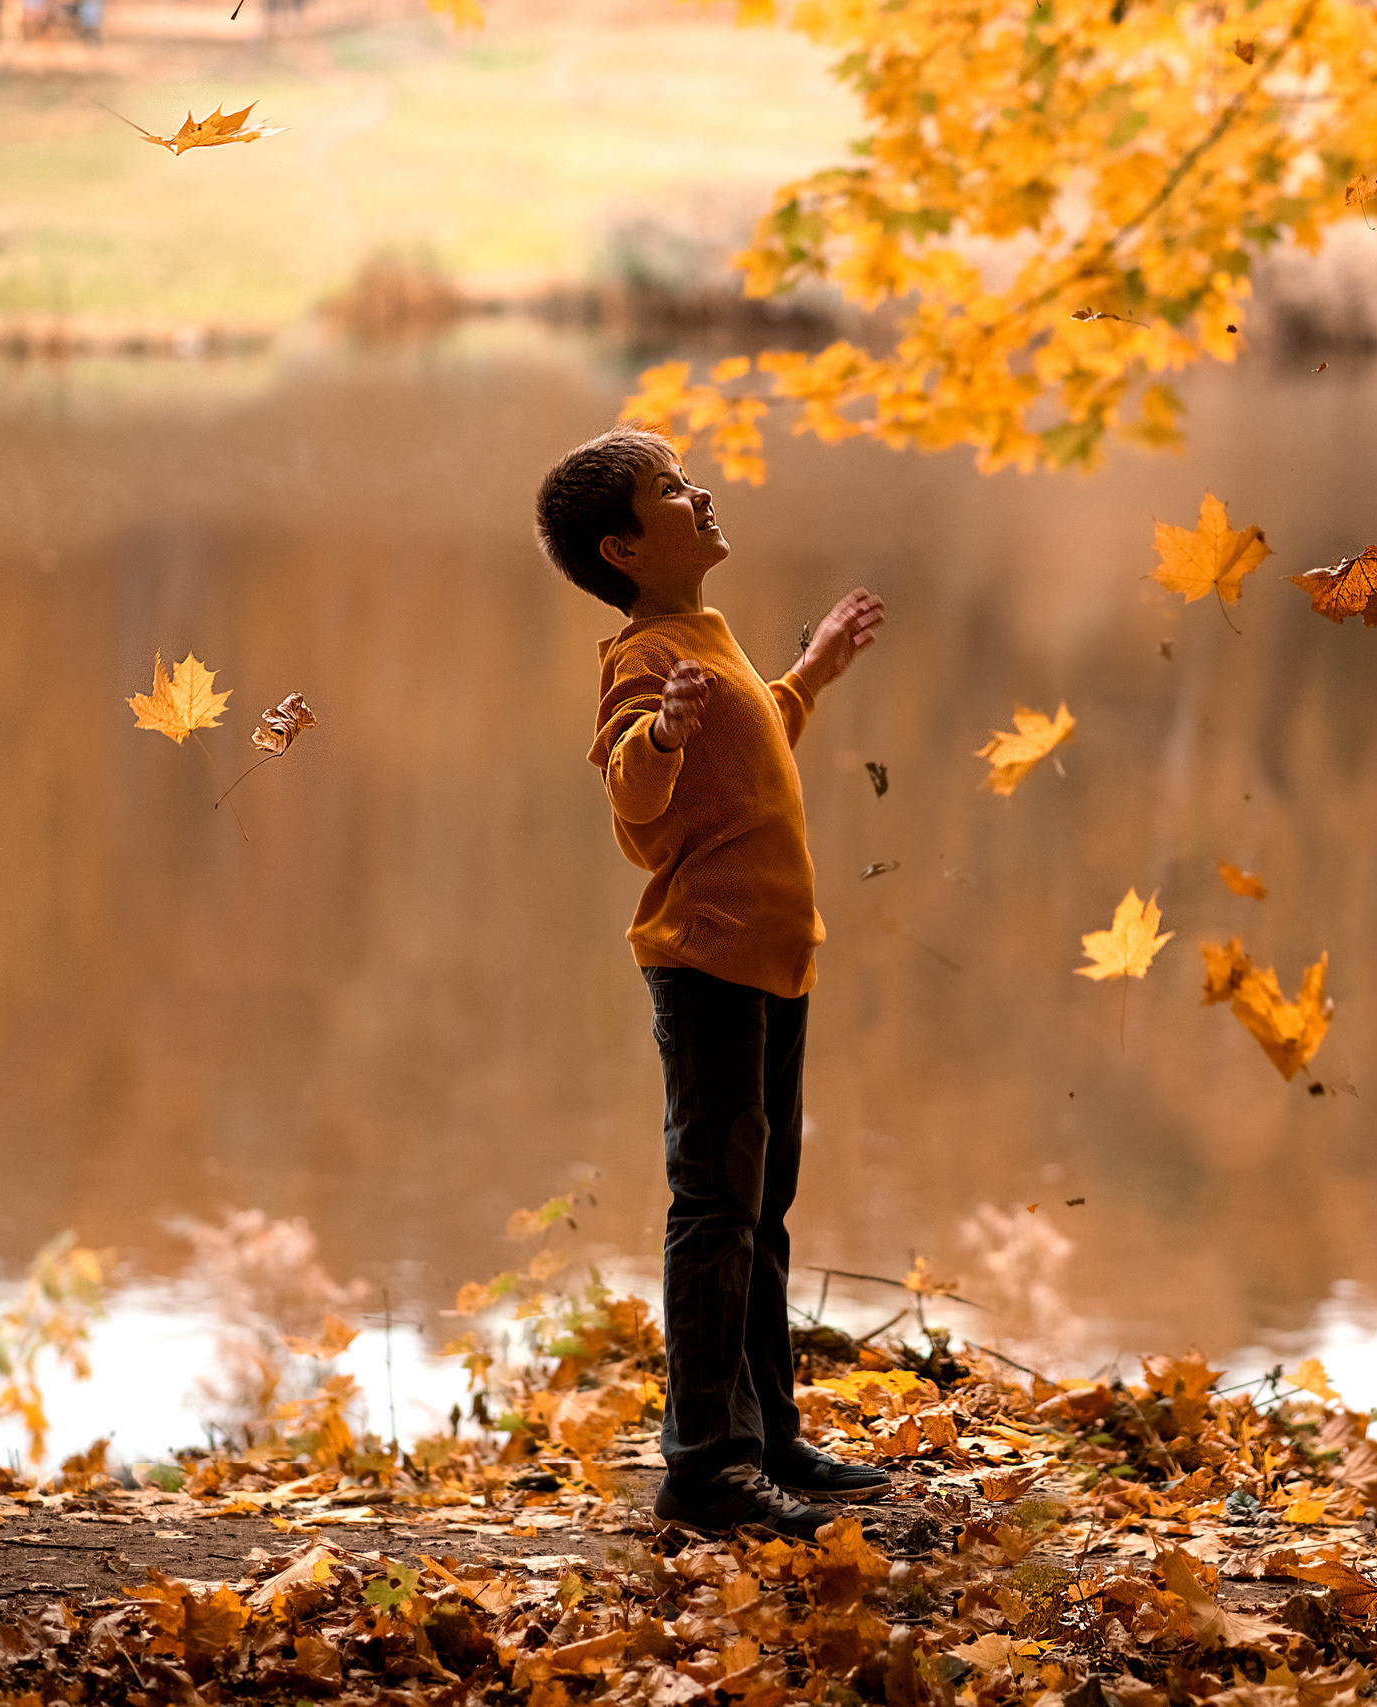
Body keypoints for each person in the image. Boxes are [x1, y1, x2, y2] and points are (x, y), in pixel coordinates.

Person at [535, 427, 889, 1541]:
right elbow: (639, 810)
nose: (699, 494)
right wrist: (659, 737)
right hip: (706, 962)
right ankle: (705, 1465)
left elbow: (754, 745)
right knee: (714, 1211)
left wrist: (810, 675)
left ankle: (767, 1435)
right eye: (669, 491)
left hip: (769, 958)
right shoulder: (640, 661)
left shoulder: (704, 635)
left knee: (760, 1210)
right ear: (625, 548)